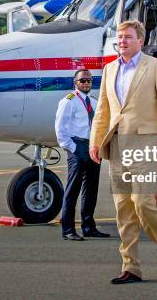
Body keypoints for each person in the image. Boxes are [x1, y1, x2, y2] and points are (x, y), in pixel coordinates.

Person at [89, 20, 157, 284]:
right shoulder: (109, 70)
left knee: (142, 202)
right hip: (117, 145)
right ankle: (131, 267)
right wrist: (95, 142)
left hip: (146, 144)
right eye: (119, 37)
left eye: (128, 37)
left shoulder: (156, 68)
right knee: (124, 209)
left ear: (140, 41)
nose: (122, 41)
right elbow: (103, 111)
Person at [55, 69, 110, 241]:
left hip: (92, 147)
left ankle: (88, 226)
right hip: (77, 146)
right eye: (82, 80)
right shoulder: (69, 101)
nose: (86, 83)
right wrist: (71, 147)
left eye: (89, 80)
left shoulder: (93, 101)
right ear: (75, 82)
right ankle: (68, 229)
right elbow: (60, 127)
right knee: (73, 190)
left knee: (91, 189)